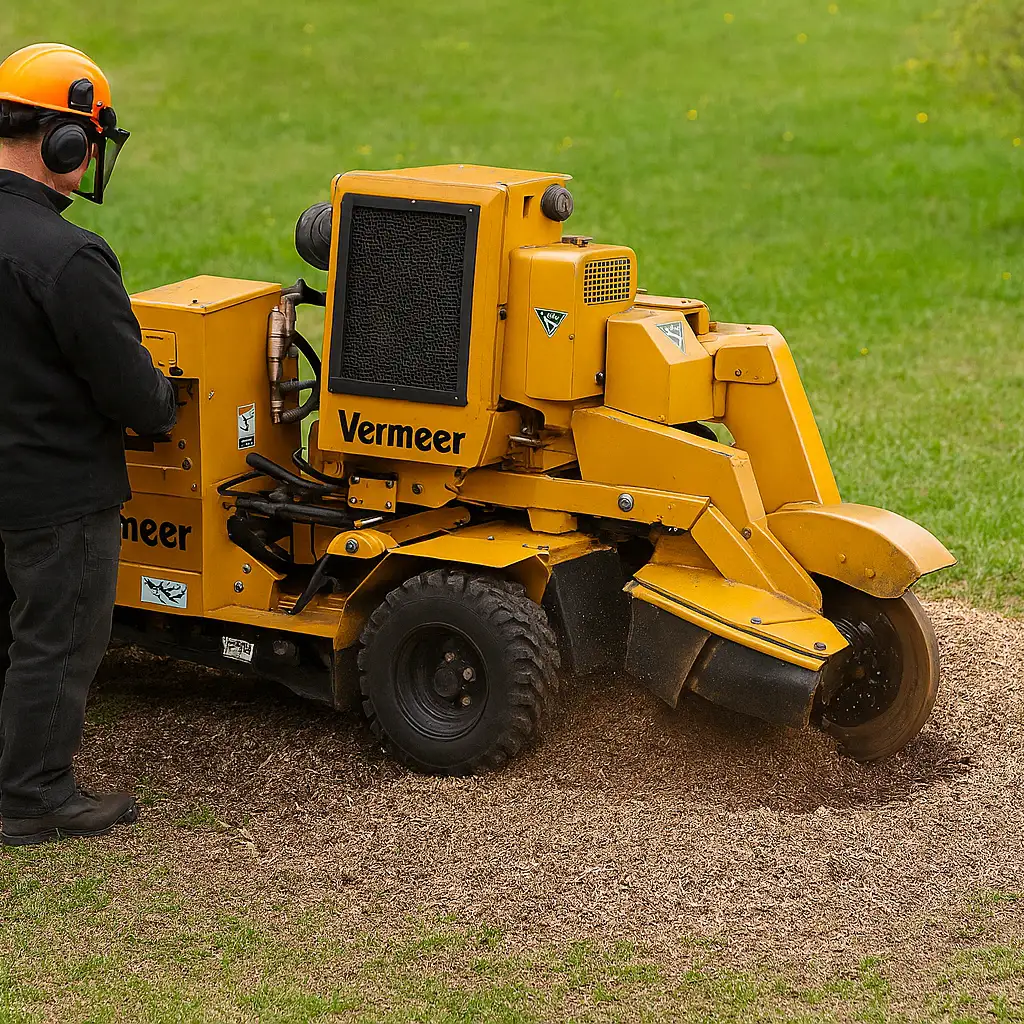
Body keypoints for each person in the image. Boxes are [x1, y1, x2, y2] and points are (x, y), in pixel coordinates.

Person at [0, 43, 176, 846]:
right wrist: (164, 397)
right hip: (54, 491)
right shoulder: (68, 257)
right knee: (58, 636)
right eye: (90, 140)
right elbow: (136, 395)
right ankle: (33, 794)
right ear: (65, 142)